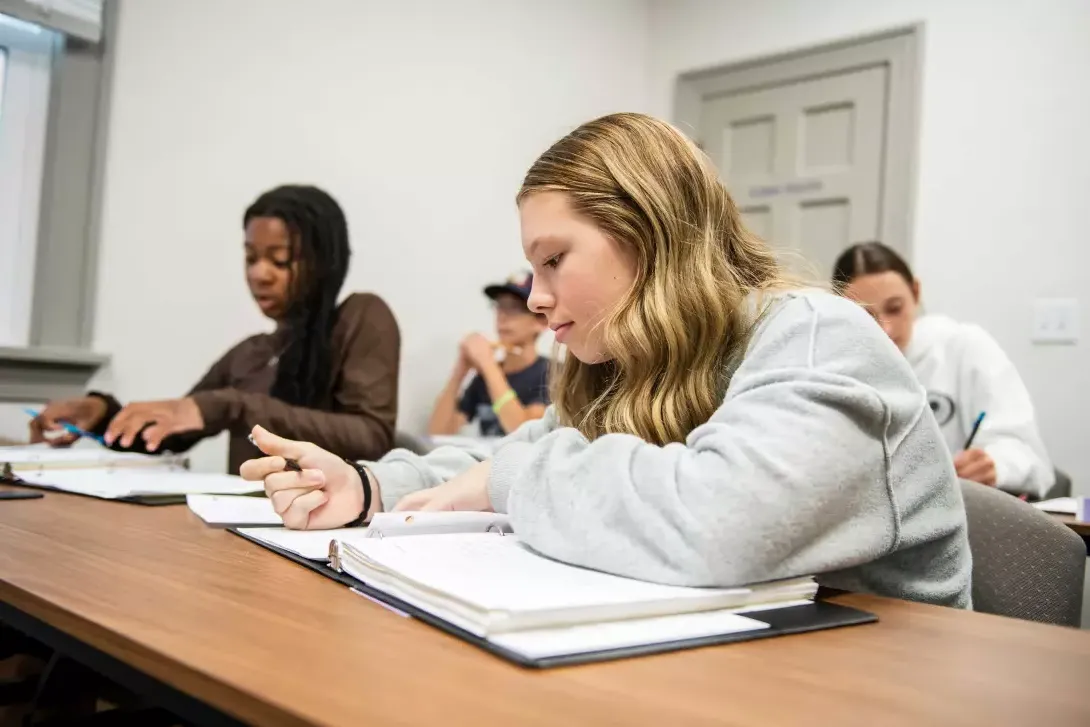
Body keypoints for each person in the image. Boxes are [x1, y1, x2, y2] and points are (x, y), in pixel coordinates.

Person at [242, 113, 971, 608]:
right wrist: (369, 487)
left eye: (554, 259)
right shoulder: (631, 363)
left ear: (649, 233)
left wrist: (512, 476)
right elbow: (507, 460)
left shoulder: (817, 336)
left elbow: (721, 526)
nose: (534, 297)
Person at [29, 184, 401, 474]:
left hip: (325, 537)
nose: (259, 274)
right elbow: (172, 434)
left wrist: (233, 407)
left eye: (280, 259)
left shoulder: (361, 318)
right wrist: (101, 413)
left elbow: (371, 437)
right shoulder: (252, 353)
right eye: (251, 257)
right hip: (244, 532)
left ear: (323, 262)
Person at [832, 242, 1054, 499]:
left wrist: (995, 465)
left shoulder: (963, 347)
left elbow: (1028, 455)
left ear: (915, 292)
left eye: (895, 309)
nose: (887, 330)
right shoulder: (834, 370)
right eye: (866, 316)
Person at [427, 272, 549, 438]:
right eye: (499, 306)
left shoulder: (551, 373)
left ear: (541, 322)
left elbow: (523, 432)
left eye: (514, 308)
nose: (502, 317)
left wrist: (488, 364)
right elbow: (437, 433)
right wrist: (460, 371)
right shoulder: (483, 379)